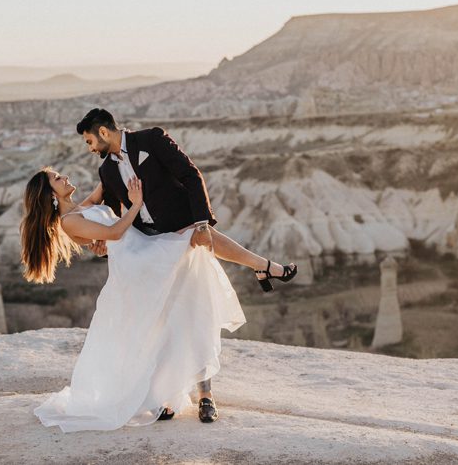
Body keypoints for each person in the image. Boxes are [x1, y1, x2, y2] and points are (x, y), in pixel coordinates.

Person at [76, 107, 297, 420]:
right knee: (163, 321)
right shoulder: (107, 172)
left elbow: (190, 175)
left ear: (102, 132)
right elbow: (116, 215)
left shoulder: (151, 140)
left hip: (182, 233)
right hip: (150, 246)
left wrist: (201, 221)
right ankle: (168, 396)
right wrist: (104, 241)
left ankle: (206, 396)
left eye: (89, 141)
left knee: (195, 314)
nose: (90, 148)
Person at [20, 167, 244, 432]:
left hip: (145, 254)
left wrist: (118, 160)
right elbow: (114, 233)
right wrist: (136, 204)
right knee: (175, 306)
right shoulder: (68, 221)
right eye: (57, 179)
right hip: (140, 264)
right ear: (50, 195)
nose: (65, 177)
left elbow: (104, 187)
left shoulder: (80, 207)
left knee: (186, 309)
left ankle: (194, 393)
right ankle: (262, 266)